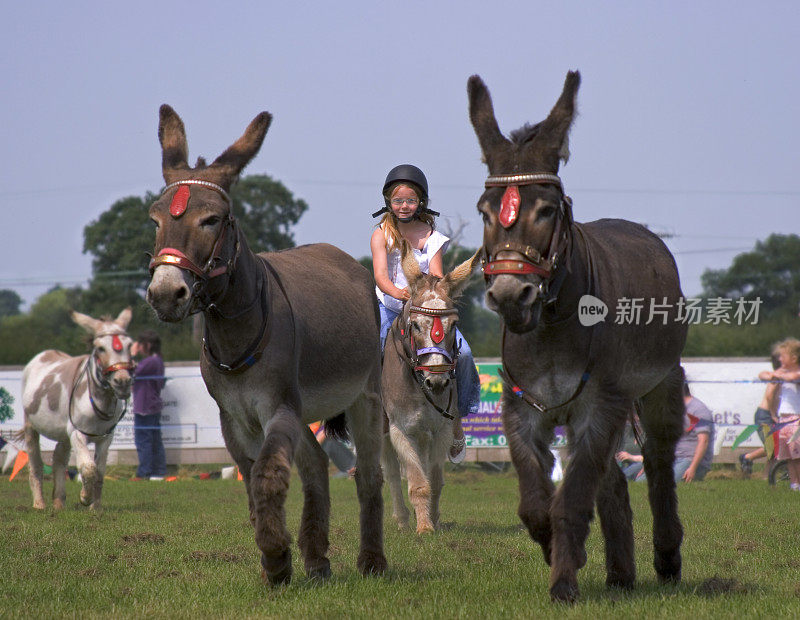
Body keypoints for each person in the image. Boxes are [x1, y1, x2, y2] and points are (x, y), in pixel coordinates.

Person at [370, 164, 481, 464]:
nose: (404, 206)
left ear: (421, 202)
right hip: (391, 309)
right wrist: (399, 293)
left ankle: (456, 418)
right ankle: (378, 417)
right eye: (398, 200)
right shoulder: (381, 234)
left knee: (466, 354)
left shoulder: (433, 237)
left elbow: (436, 275)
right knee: (375, 352)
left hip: (427, 310)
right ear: (388, 202)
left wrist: (426, 294)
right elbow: (380, 276)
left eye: (410, 200)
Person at [758, 338, 800, 491]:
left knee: (797, 456)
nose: (780, 359)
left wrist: (777, 376)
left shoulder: (796, 374)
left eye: (783, 356)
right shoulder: (782, 373)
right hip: (784, 419)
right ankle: (794, 484)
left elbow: (792, 378)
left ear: (794, 358)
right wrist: (773, 375)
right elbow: (762, 375)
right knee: (788, 456)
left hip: (796, 419)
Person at [131, 330, 167, 480]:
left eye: (140, 344)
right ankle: (158, 472)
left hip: (144, 406)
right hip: (152, 405)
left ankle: (144, 473)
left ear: (148, 345)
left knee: (143, 441)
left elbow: (130, 371)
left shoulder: (149, 362)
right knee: (155, 441)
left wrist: (131, 355)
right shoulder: (157, 360)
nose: (138, 347)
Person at [738, 352, 781, 475]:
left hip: (767, 415)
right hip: (766, 416)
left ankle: (767, 477)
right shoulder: (777, 377)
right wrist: (773, 414)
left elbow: (762, 375)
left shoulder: (779, 376)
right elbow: (769, 394)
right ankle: (747, 457)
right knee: (772, 448)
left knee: (774, 450)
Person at [673, 374, 715, 483]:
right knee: (642, 482)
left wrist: (692, 468)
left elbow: (704, 441)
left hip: (690, 460)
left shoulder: (699, 410)